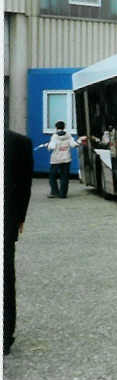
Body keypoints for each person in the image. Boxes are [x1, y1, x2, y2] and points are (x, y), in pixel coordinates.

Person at [4, 129, 33, 355]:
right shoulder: (20, 143)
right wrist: (20, 217)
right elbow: (25, 186)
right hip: (7, 219)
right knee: (5, 278)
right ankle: (5, 335)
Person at [47, 120, 78, 199]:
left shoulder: (54, 136)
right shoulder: (68, 135)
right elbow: (73, 145)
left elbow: (52, 147)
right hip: (66, 159)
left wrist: (48, 145)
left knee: (52, 176)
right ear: (64, 127)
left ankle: (54, 192)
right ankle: (63, 194)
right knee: (64, 177)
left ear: (56, 127)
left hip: (56, 160)